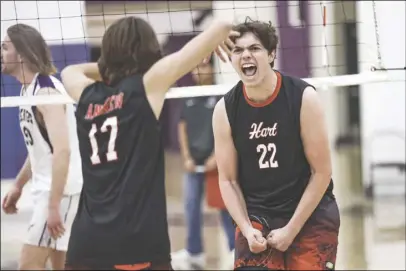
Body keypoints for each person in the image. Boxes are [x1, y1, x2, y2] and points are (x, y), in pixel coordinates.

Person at [60, 16, 238, 270]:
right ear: (148, 51)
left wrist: (112, 67)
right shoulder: (146, 86)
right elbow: (222, 26)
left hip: (85, 243)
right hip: (135, 243)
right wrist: (216, 37)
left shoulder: (86, 93)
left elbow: (70, 70)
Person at [212, 18, 340, 270]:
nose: (246, 55)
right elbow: (227, 180)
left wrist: (291, 229)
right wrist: (247, 229)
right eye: (238, 50)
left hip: (310, 212)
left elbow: (322, 172)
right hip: (258, 215)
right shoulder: (224, 110)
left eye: (254, 48)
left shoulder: (303, 97)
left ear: (271, 55)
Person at [1, 23, 82, 270]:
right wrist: (18, 184)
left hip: (61, 192)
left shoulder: (46, 92)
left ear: (22, 54)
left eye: (4, 48)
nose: (0, 54)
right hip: (52, 191)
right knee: (62, 267)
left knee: (27, 264)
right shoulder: (29, 91)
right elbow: (40, 149)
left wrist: (54, 204)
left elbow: (63, 150)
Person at [172, 59, 235, 270]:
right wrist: (186, 157)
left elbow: (228, 128)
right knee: (190, 206)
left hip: (215, 163)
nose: (200, 71)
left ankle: (234, 250)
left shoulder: (220, 94)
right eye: (196, 67)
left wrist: (217, 158)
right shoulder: (186, 94)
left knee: (225, 207)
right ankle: (194, 252)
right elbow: (182, 126)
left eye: (204, 66)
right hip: (193, 163)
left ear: (212, 69)